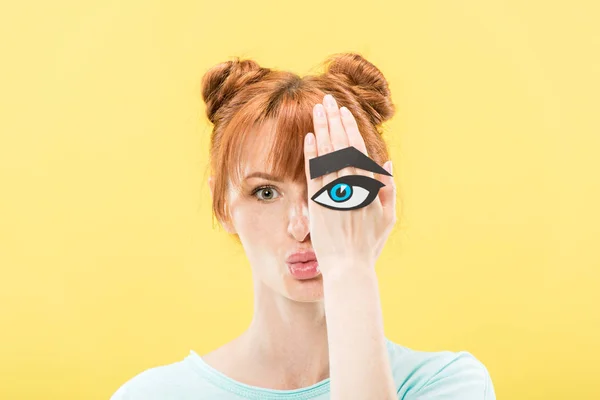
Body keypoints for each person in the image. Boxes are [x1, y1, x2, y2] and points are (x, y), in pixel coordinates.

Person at [111, 53, 496, 399]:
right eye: (264, 193)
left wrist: (350, 268)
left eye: (335, 189)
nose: (302, 226)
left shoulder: (446, 383)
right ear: (223, 205)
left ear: (380, 197)